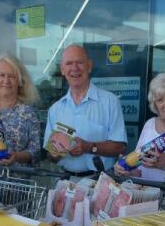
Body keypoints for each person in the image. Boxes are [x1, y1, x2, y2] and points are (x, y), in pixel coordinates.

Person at [44, 44, 127, 176]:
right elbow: (50, 156)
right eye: (69, 63)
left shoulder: (110, 102)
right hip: (65, 181)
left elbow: (120, 146)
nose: (74, 68)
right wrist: (57, 152)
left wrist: (88, 147)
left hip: (100, 180)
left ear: (89, 65)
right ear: (62, 70)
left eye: (79, 62)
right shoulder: (55, 110)